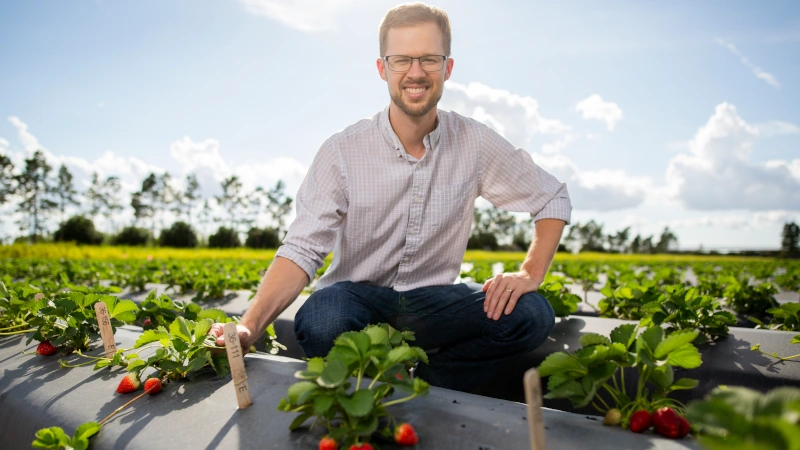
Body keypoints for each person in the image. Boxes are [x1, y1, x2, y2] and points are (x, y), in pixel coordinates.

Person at [210, 2, 571, 393]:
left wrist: (530, 272)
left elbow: (551, 197)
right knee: (321, 319)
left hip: (434, 303)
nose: (416, 73)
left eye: (429, 59)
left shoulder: (475, 142)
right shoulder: (343, 151)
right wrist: (248, 325)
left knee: (532, 313)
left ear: (447, 68)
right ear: (383, 68)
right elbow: (302, 249)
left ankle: (434, 384)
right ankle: (375, 391)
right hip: (357, 300)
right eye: (402, 60)